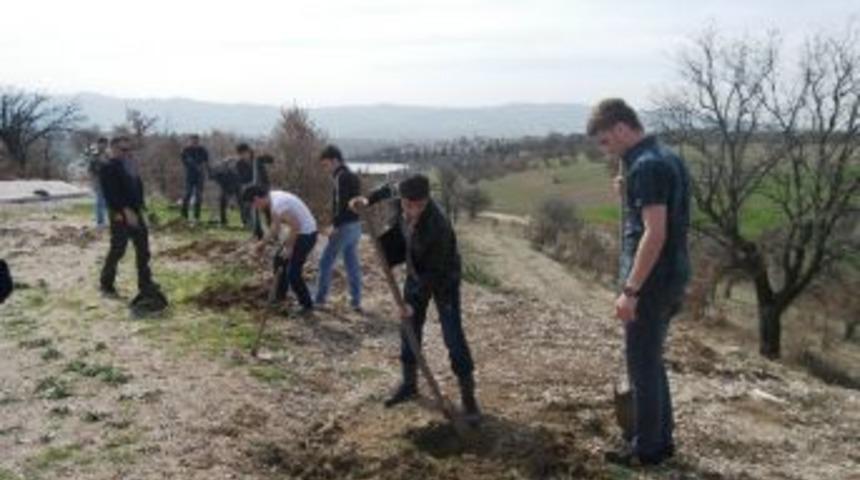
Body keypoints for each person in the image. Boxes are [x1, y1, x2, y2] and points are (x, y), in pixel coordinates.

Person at [587, 98, 691, 467]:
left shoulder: (647, 166)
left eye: (605, 141)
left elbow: (655, 233)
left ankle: (646, 451)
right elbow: (661, 211)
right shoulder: (666, 157)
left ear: (620, 128)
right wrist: (627, 190)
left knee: (641, 366)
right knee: (651, 361)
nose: (605, 149)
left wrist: (630, 291)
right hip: (672, 277)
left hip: (651, 283)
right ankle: (660, 441)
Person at [350, 174, 481, 425]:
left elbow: (435, 271)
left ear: (427, 200)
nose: (413, 210)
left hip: (443, 278)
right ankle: (409, 384)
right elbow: (386, 190)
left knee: (452, 335)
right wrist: (366, 199)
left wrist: (412, 301)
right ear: (403, 199)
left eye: (419, 206)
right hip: (415, 267)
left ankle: (469, 399)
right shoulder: (400, 196)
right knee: (408, 328)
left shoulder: (438, 226)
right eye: (408, 205)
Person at [98, 136, 162, 305]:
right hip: (119, 213)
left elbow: (136, 187)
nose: (127, 153)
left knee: (143, 248)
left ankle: (145, 283)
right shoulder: (107, 167)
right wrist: (124, 211)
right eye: (123, 149)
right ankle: (106, 281)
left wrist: (141, 207)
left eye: (129, 149)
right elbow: (110, 193)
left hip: (135, 212)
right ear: (113, 149)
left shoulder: (130, 165)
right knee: (118, 249)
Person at [242, 185, 318, 315]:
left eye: (254, 205)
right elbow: (275, 227)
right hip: (300, 233)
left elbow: (296, 226)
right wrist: (262, 244)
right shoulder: (273, 197)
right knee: (278, 260)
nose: (256, 208)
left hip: (306, 235)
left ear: (256, 199)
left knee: (293, 273)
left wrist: (289, 247)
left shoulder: (278, 204)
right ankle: (280, 297)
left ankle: (306, 305)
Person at [314, 145, 363, 312]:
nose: (325, 169)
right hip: (356, 225)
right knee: (352, 264)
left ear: (335, 160)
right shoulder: (351, 175)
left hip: (344, 226)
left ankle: (320, 300)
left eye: (326, 164)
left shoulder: (340, 177)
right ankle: (356, 301)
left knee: (325, 262)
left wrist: (334, 225)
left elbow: (341, 205)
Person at [180, 134, 210, 222]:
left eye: (196, 141)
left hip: (200, 176)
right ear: (190, 141)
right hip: (190, 175)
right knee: (187, 194)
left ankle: (197, 217)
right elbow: (185, 162)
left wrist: (202, 168)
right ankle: (184, 216)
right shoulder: (186, 150)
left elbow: (206, 162)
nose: (194, 142)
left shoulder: (203, 150)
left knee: (199, 196)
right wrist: (193, 165)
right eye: (193, 141)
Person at [210, 158, 246, 227]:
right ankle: (223, 221)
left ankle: (245, 221)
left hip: (236, 186)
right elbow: (214, 177)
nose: (230, 165)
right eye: (227, 164)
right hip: (226, 187)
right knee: (222, 204)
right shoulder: (219, 172)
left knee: (241, 203)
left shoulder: (236, 171)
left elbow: (241, 179)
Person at [87, 137, 110, 228]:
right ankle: (100, 222)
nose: (104, 145)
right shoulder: (95, 155)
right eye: (102, 143)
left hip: (108, 181)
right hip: (98, 180)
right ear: (98, 144)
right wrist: (93, 181)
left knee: (108, 202)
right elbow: (90, 170)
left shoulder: (109, 155)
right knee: (100, 201)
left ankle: (107, 220)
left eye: (105, 143)